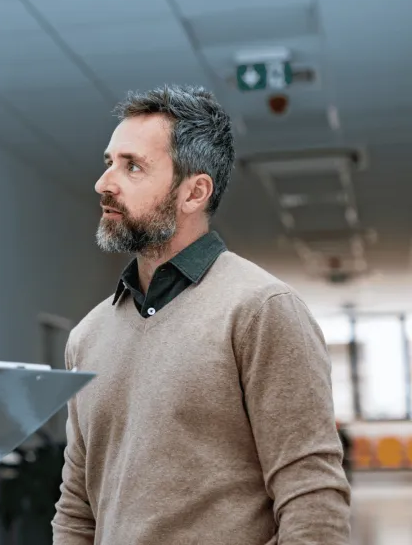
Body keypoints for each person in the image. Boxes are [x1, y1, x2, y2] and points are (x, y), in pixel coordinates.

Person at [52, 85, 351, 544]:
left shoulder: (261, 310)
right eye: (108, 162)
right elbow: (77, 506)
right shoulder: (88, 335)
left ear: (194, 193)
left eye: (132, 166)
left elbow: (313, 498)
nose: (104, 183)